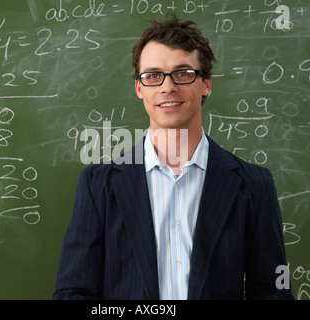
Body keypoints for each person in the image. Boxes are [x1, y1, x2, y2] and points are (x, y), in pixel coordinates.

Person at [53, 14, 293, 300]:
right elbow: (74, 293)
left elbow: (273, 290)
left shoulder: (254, 184)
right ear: (139, 88)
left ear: (205, 83)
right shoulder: (98, 185)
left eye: (183, 73)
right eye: (153, 75)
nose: (168, 87)